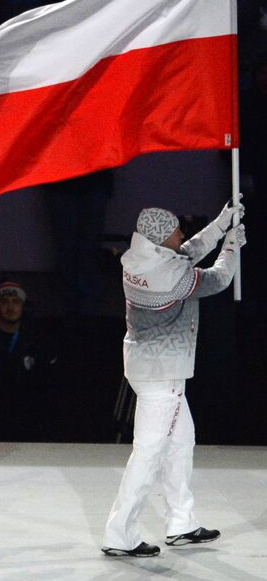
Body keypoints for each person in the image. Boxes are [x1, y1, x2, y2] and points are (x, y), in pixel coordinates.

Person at [102, 204, 244, 557]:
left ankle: (181, 522)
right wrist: (231, 246)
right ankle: (120, 535)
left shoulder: (140, 259)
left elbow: (186, 251)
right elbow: (218, 279)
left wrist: (221, 222)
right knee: (148, 453)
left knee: (181, 443)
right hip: (161, 374)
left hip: (153, 369)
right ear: (161, 237)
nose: (181, 234)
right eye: (176, 230)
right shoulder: (167, 276)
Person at [0, 280, 56, 441]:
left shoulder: (36, 343)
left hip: (28, 426)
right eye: (4, 302)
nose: (10, 307)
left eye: (16, 302)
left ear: (24, 306)